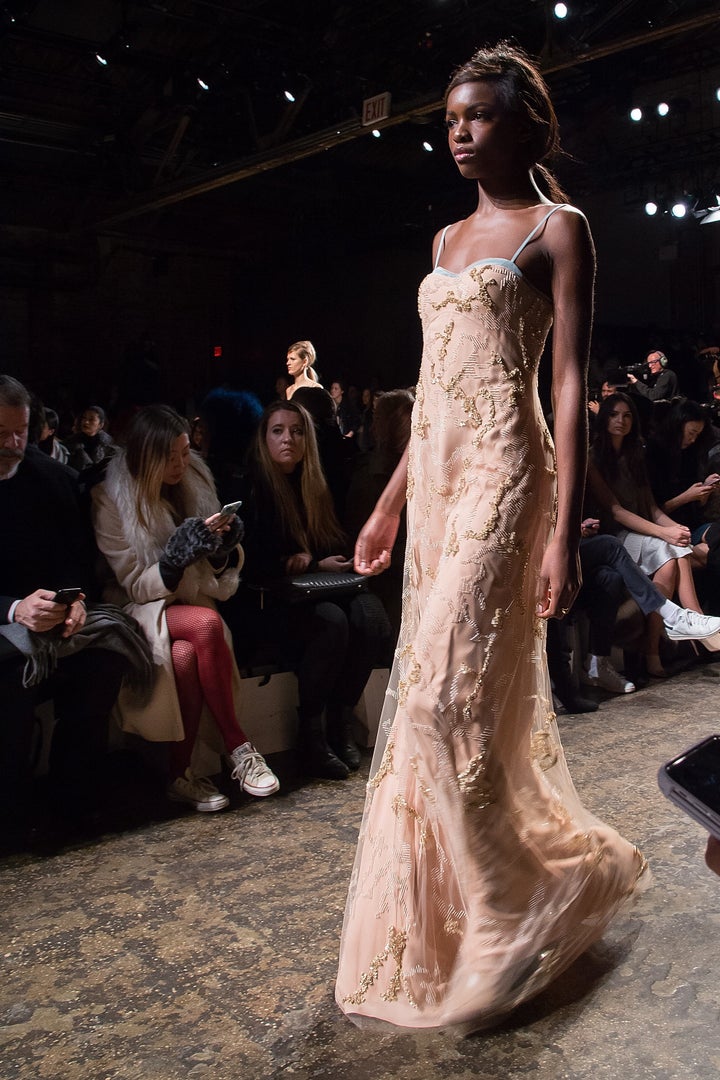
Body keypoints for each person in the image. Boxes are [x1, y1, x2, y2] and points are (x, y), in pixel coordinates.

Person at [335, 42, 648, 1033]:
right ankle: (569, 865)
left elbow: (563, 380)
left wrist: (560, 534)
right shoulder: (441, 243)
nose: (459, 132)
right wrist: (388, 504)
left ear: (523, 123)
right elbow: (429, 395)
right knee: (457, 712)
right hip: (435, 478)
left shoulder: (561, 229)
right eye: (449, 120)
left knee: (436, 701)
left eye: (476, 116)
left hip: (511, 471)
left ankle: (515, 903)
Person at [92, 404, 279, 812]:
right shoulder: (110, 499)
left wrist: (222, 549)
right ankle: (239, 746)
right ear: (145, 454)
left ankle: (180, 776)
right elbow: (135, 586)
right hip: (138, 610)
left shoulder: (195, 476)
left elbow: (211, 568)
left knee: (185, 656)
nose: (181, 463)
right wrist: (172, 563)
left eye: (184, 452)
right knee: (207, 625)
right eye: (170, 456)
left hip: (189, 599)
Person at [0, 375, 149, 829]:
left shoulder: (52, 479)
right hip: (7, 620)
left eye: (19, 433)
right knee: (9, 671)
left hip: (53, 617)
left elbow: (74, 557)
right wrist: (13, 608)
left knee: (104, 659)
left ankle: (74, 796)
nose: (11, 444)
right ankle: (10, 808)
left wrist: (76, 600)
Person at [235, 400, 392, 780]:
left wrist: (323, 561)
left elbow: (328, 539)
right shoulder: (251, 486)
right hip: (273, 598)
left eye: (296, 431)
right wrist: (289, 562)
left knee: (371, 618)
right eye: (278, 431)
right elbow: (247, 560)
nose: (288, 438)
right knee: (333, 621)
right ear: (264, 438)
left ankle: (340, 718)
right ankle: (312, 733)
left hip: (315, 586)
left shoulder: (317, 482)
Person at [587, 393, 709, 677]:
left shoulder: (634, 455)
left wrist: (675, 531)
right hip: (613, 536)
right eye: (615, 414)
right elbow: (615, 511)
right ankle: (695, 625)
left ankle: (656, 650)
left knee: (674, 553)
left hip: (641, 532)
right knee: (671, 549)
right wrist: (665, 533)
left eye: (627, 415)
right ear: (604, 417)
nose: (621, 420)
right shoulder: (593, 458)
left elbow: (652, 508)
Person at [66, 405, 117, 473]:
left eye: (91, 419)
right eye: (84, 418)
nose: (86, 422)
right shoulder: (74, 439)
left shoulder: (107, 444)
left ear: (100, 425)